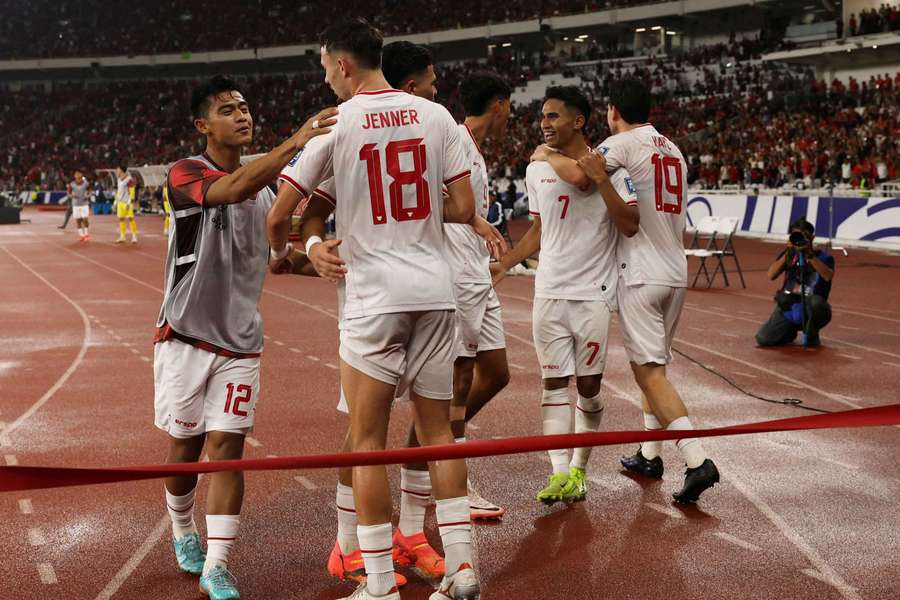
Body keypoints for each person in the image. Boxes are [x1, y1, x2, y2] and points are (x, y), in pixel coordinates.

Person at [267, 18, 505, 600]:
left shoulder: (335, 124)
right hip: (435, 290)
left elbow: (280, 216)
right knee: (439, 434)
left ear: (343, 65)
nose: (325, 80)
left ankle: (378, 584)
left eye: (325, 68)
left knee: (368, 439)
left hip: (374, 297)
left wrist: (291, 252)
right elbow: (463, 204)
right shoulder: (438, 117)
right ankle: (462, 569)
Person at [154, 75, 335, 600]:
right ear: (202, 125)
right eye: (227, 109)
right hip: (185, 336)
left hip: (240, 343)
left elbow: (281, 261)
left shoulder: (266, 196)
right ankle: (183, 530)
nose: (241, 115)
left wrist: (322, 259)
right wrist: (296, 142)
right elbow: (230, 189)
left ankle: (217, 564)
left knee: (228, 451)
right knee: (185, 448)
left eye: (244, 107)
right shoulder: (186, 172)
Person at [538, 78, 720, 504]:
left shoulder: (621, 144)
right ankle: (650, 454)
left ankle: (697, 460)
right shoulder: (673, 149)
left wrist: (547, 153)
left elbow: (582, 176)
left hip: (641, 270)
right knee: (652, 367)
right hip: (675, 269)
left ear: (613, 111)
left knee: (649, 373)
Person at [492, 86, 639, 505]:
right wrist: (505, 264)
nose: (544, 123)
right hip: (550, 290)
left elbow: (629, 222)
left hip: (592, 293)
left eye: (554, 116)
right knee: (553, 383)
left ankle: (580, 468)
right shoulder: (535, 170)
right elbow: (538, 231)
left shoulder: (608, 165)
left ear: (578, 121)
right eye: (542, 116)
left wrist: (548, 154)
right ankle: (561, 474)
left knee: (589, 387)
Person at [441, 69, 513, 519]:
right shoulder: (454, 140)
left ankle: (437, 442)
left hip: (477, 274)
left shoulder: (473, 147)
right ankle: (451, 476)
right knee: (460, 376)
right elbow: (432, 200)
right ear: (500, 103)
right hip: (459, 275)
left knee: (498, 371)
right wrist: (473, 222)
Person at [755, 218, 834, 347]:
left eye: (804, 236)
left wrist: (809, 255)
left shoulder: (824, 257)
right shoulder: (789, 255)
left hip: (811, 307)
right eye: (795, 236)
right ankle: (789, 331)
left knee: (817, 303)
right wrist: (788, 252)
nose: (799, 240)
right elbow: (771, 274)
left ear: (812, 238)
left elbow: (827, 276)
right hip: (789, 305)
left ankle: (812, 333)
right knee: (763, 339)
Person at [114, 165, 138, 243]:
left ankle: (134, 236)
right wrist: (115, 202)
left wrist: (129, 203)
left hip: (127, 202)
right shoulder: (118, 179)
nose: (116, 171)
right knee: (121, 219)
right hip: (120, 202)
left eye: (117, 169)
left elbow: (132, 192)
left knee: (131, 218)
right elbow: (119, 192)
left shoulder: (129, 179)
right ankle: (122, 236)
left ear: (121, 170)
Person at [68, 170, 92, 241]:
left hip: (84, 204)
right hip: (76, 205)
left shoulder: (86, 183)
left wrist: (88, 195)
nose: (78, 176)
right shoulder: (72, 184)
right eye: (76, 175)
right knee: (78, 221)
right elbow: (68, 194)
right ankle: (82, 235)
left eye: (79, 174)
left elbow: (90, 191)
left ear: (82, 176)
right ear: (75, 176)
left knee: (85, 219)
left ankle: (86, 234)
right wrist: (72, 195)